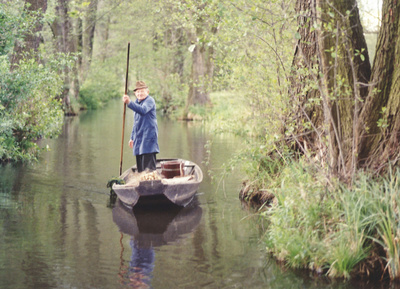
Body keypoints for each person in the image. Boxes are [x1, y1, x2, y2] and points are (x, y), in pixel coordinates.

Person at [123, 81, 159, 172]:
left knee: (148, 170)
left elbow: (143, 110)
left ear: (147, 92)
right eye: (137, 92)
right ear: (135, 93)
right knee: (140, 169)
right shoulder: (137, 102)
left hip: (148, 138)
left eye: (142, 91)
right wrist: (132, 137)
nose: (139, 93)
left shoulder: (150, 100)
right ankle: (142, 182)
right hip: (139, 139)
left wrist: (129, 102)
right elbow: (136, 123)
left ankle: (151, 183)